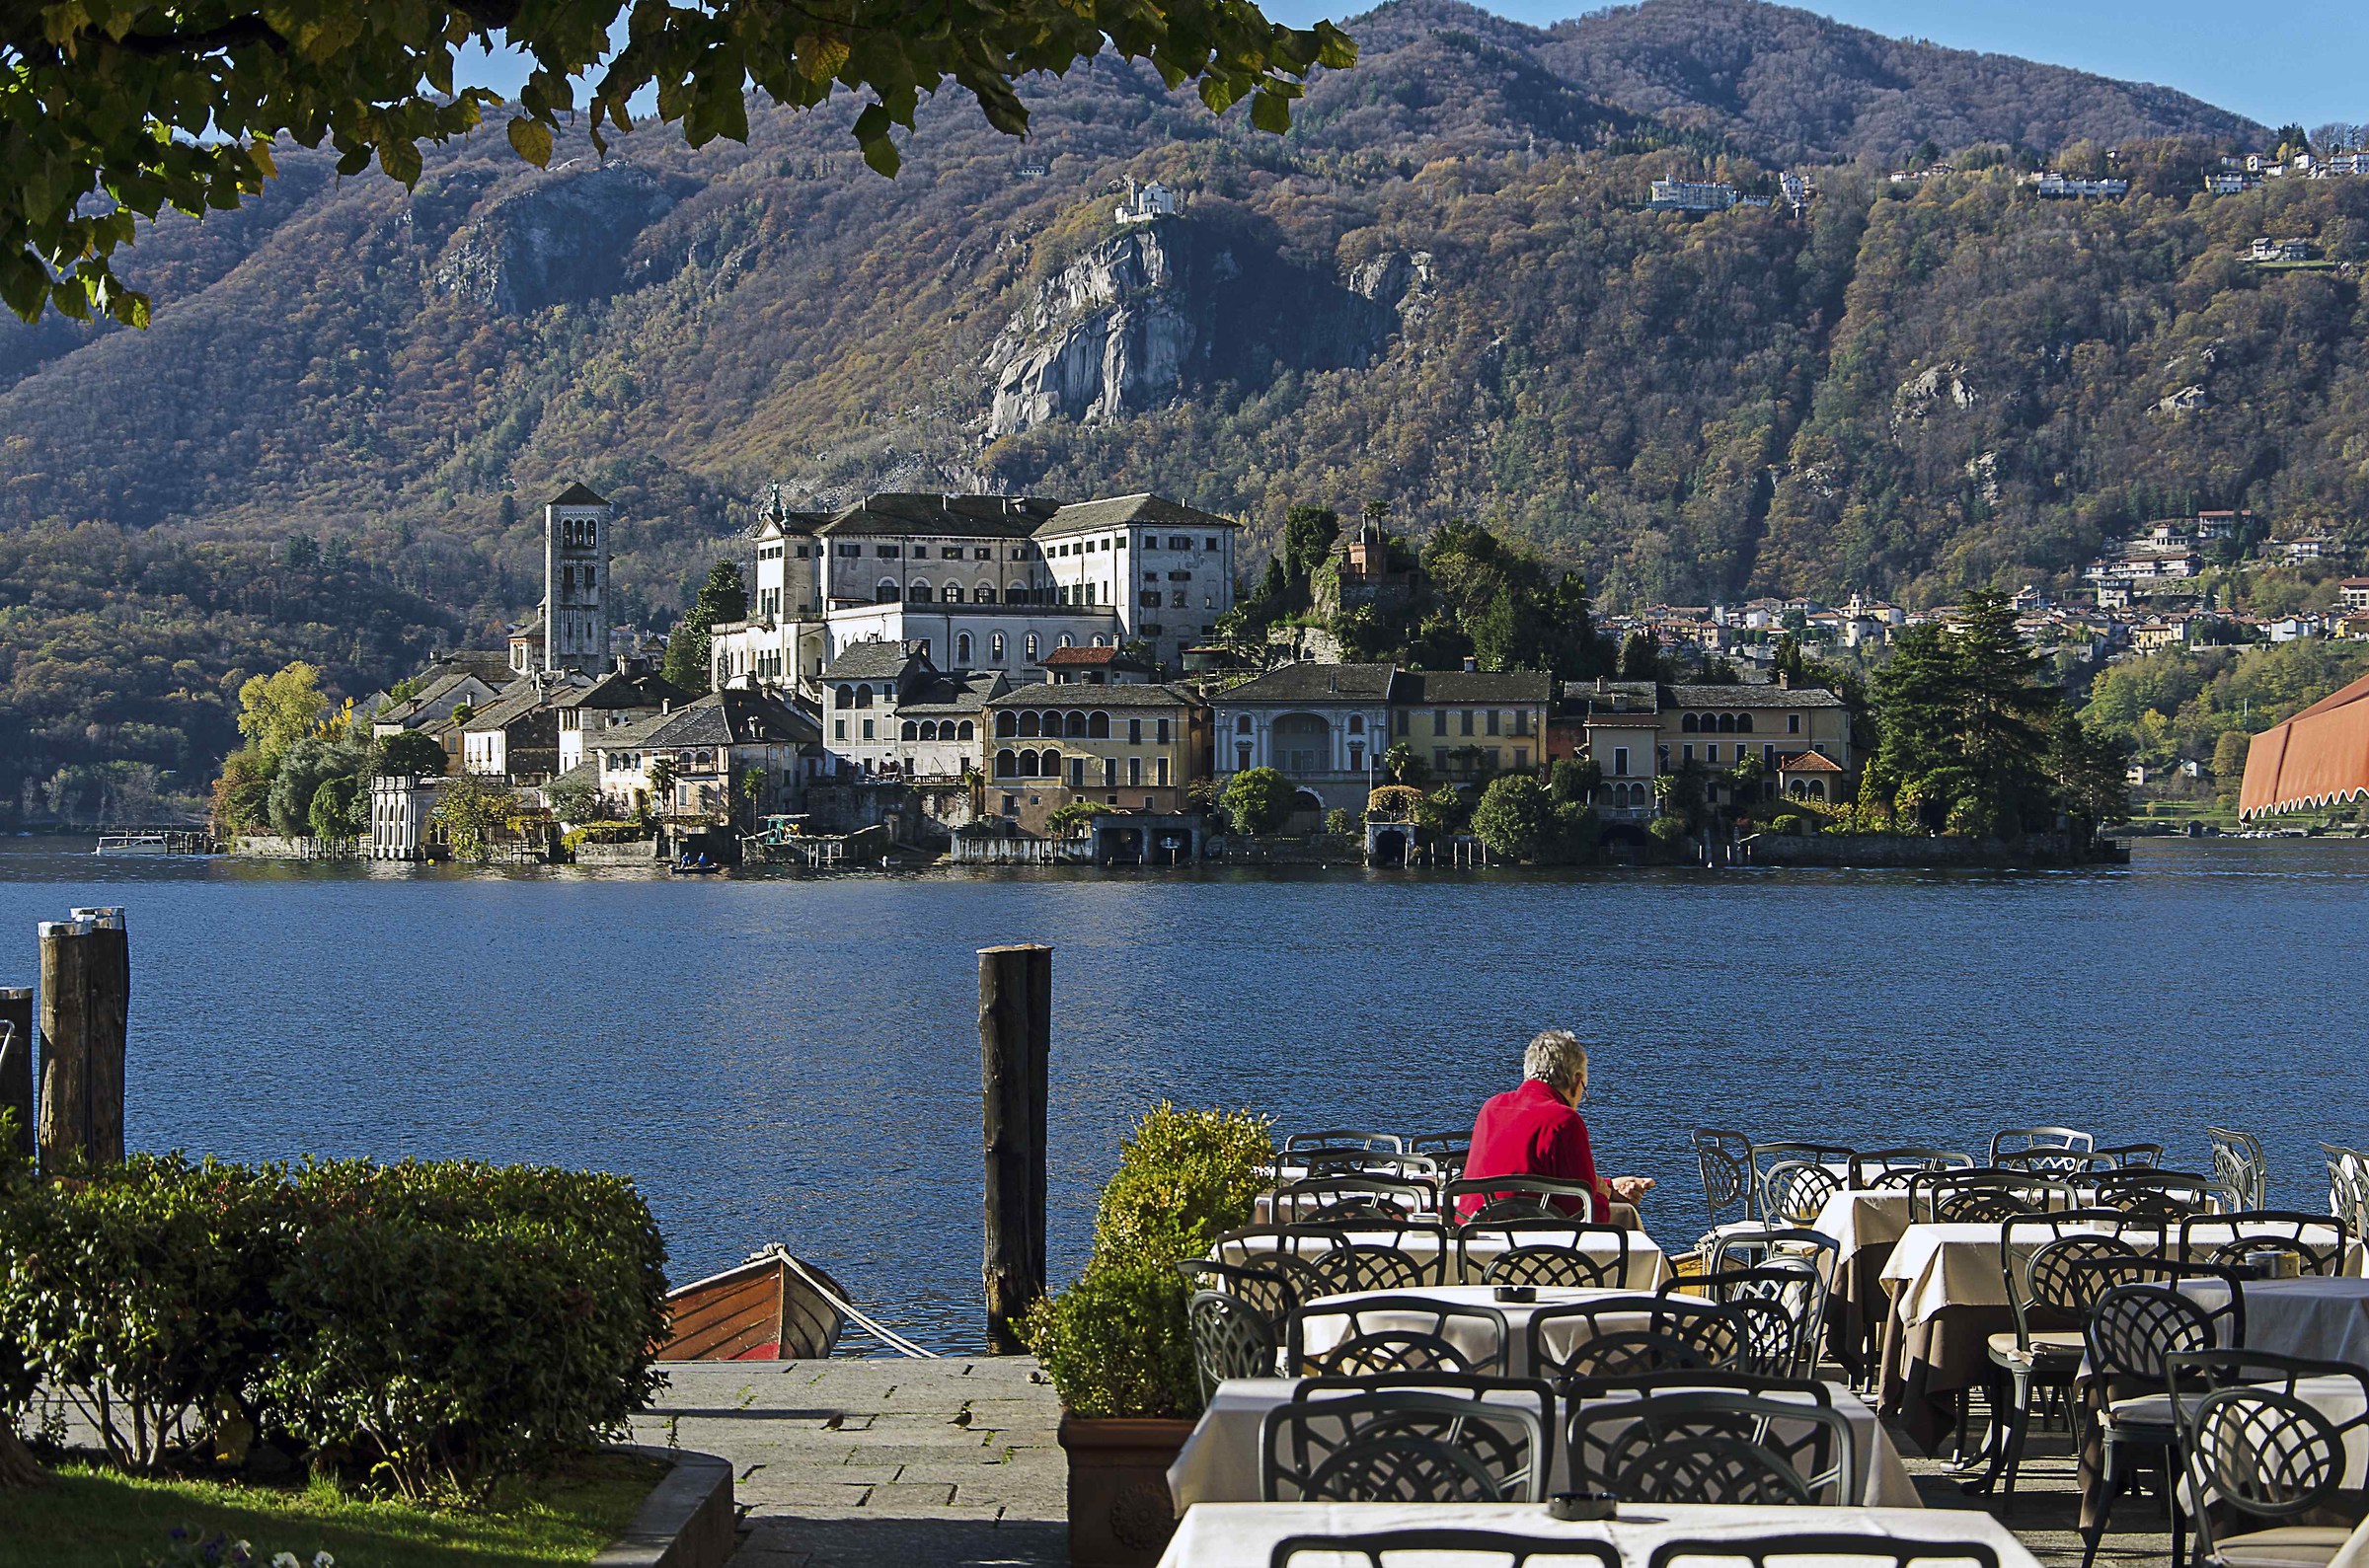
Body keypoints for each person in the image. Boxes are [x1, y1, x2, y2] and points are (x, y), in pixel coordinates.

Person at [1458, 1030, 1654, 1222]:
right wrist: (1602, 1196)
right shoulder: (1563, 1120)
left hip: (1472, 1233)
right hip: (1531, 1244)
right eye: (1583, 1090)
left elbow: (1527, 1176)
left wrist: (1608, 1186)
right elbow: (1584, 1215)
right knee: (1625, 1220)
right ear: (1576, 1081)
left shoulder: (1492, 1107)